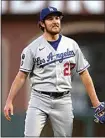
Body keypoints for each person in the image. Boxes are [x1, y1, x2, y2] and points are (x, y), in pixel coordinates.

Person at [4, 6, 105, 137]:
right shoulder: (32, 48)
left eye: (57, 18)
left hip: (63, 100)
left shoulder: (71, 45)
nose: (55, 21)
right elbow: (21, 76)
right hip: (39, 99)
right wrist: (9, 101)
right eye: (50, 19)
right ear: (42, 24)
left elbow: (84, 74)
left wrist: (96, 103)